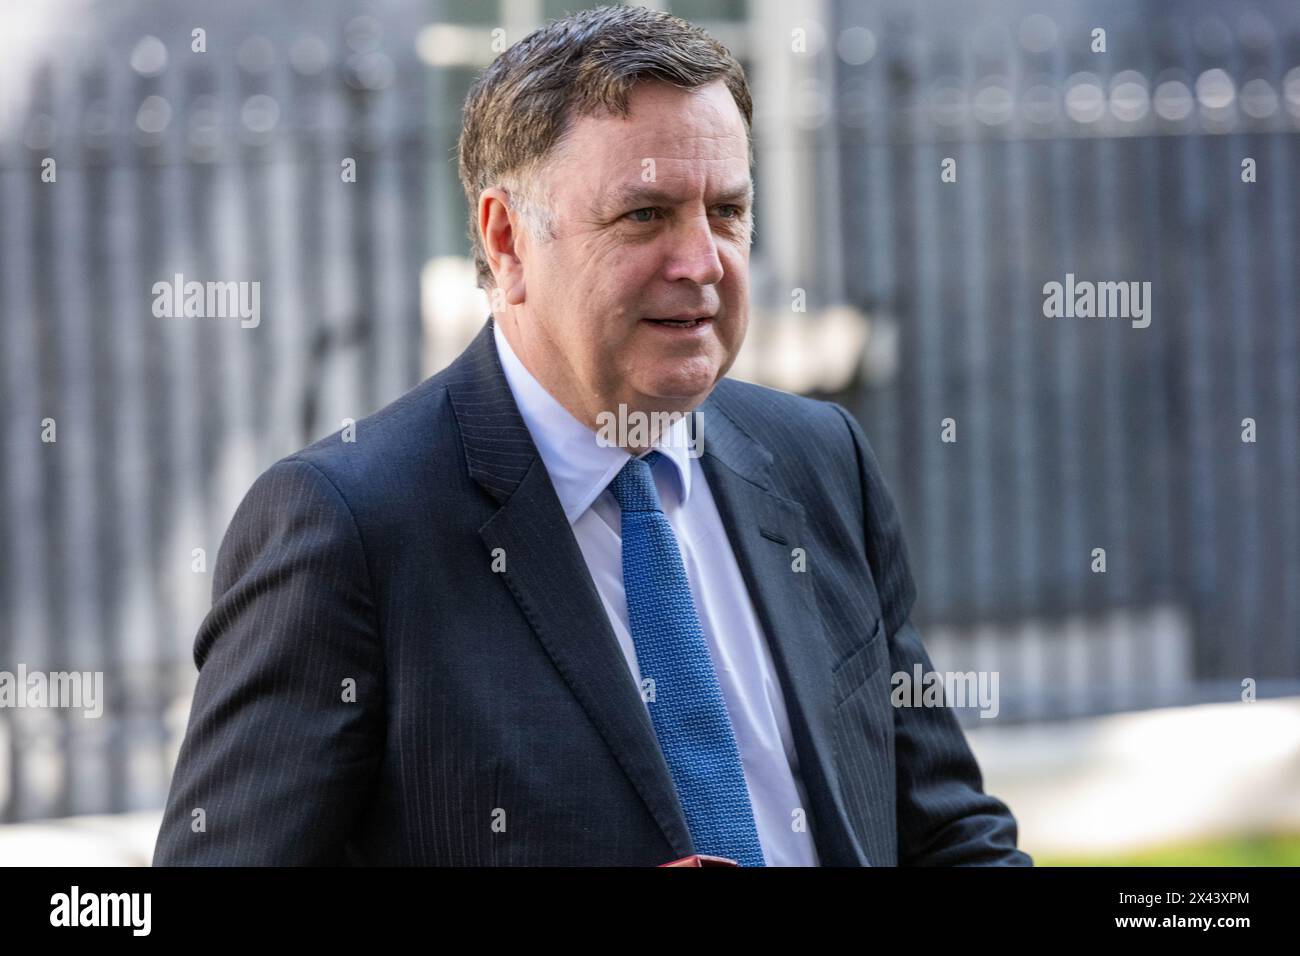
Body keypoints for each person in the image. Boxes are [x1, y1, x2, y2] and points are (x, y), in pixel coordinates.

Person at [154, 4, 1030, 866]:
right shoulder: (348, 526)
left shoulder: (818, 459)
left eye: (727, 211)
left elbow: (949, 836)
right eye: (644, 215)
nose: (701, 262)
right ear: (507, 242)